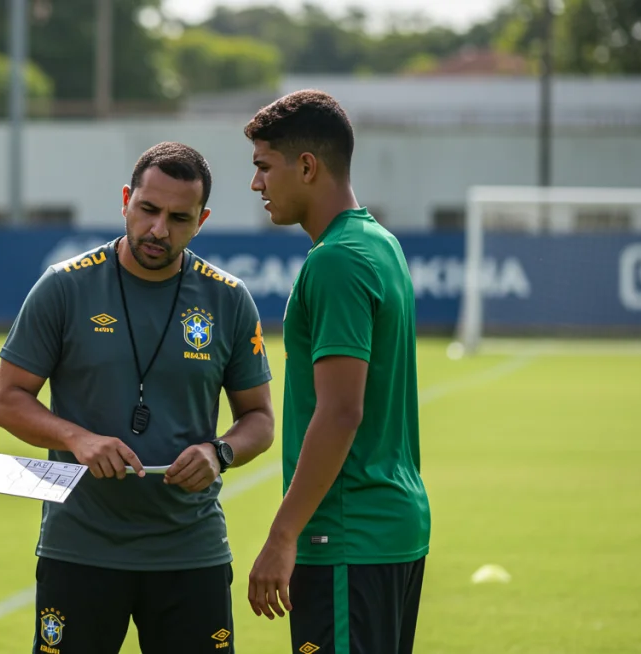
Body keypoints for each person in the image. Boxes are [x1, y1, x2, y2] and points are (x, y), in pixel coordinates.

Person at [0, 142, 276, 654]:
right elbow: (7, 399)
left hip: (190, 552)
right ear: (126, 200)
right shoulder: (64, 287)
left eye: (178, 217)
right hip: (80, 548)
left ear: (201, 220)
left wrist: (219, 452)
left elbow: (258, 419)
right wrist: (77, 439)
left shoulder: (228, 299)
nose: (159, 230)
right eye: (148, 210)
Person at [241, 90, 431, 654]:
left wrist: (282, 534)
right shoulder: (379, 244)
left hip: (348, 534)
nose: (256, 185)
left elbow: (342, 410)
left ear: (306, 166)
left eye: (263, 167)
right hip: (390, 527)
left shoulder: (337, 261)